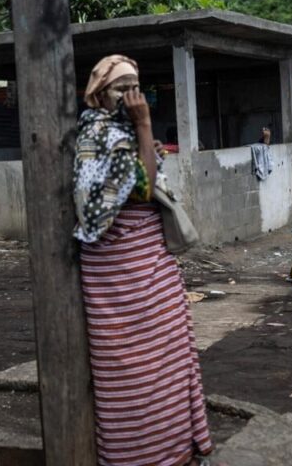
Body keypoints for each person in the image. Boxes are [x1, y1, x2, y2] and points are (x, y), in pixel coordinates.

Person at [73, 55, 215, 466]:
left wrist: (141, 139)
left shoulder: (122, 131)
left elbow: (144, 178)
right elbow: (142, 187)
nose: (132, 97)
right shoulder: (98, 132)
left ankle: (177, 450)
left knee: (167, 363)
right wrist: (144, 126)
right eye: (122, 89)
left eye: (136, 87)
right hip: (119, 274)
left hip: (151, 267)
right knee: (130, 374)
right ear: (99, 95)